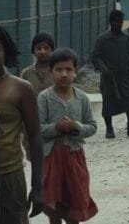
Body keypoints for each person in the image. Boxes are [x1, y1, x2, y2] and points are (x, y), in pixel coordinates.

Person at [0, 23, 44, 224]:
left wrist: (38, 185)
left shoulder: (21, 88)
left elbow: (35, 135)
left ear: (6, 51)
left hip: (10, 175)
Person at [38, 48, 98, 224]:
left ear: (75, 71)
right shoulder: (44, 98)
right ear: (51, 71)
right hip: (52, 158)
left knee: (75, 199)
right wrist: (56, 127)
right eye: (59, 70)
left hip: (75, 157)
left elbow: (92, 126)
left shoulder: (82, 98)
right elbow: (38, 129)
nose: (64, 74)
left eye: (68, 69)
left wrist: (76, 127)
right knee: (53, 204)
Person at [90, 10, 129, 138]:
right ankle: (109, 128)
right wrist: (104, 69)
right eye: (116, 22)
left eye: (121, 22)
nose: (119, 25)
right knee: (109, 103)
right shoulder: (103, 39)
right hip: (109, 77)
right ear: (111, 22)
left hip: (126, 75)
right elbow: (95, 57)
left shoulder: (126, 37)